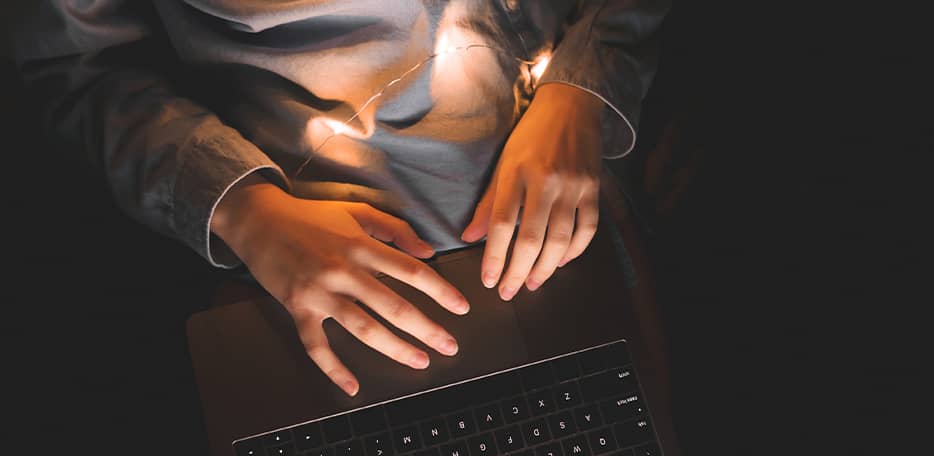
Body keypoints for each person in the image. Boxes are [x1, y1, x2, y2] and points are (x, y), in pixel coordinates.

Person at [11, 0, 670, 396]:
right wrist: (244, 209)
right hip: (323, 289)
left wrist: (585, 84)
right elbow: (75, 71)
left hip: (590, 207)